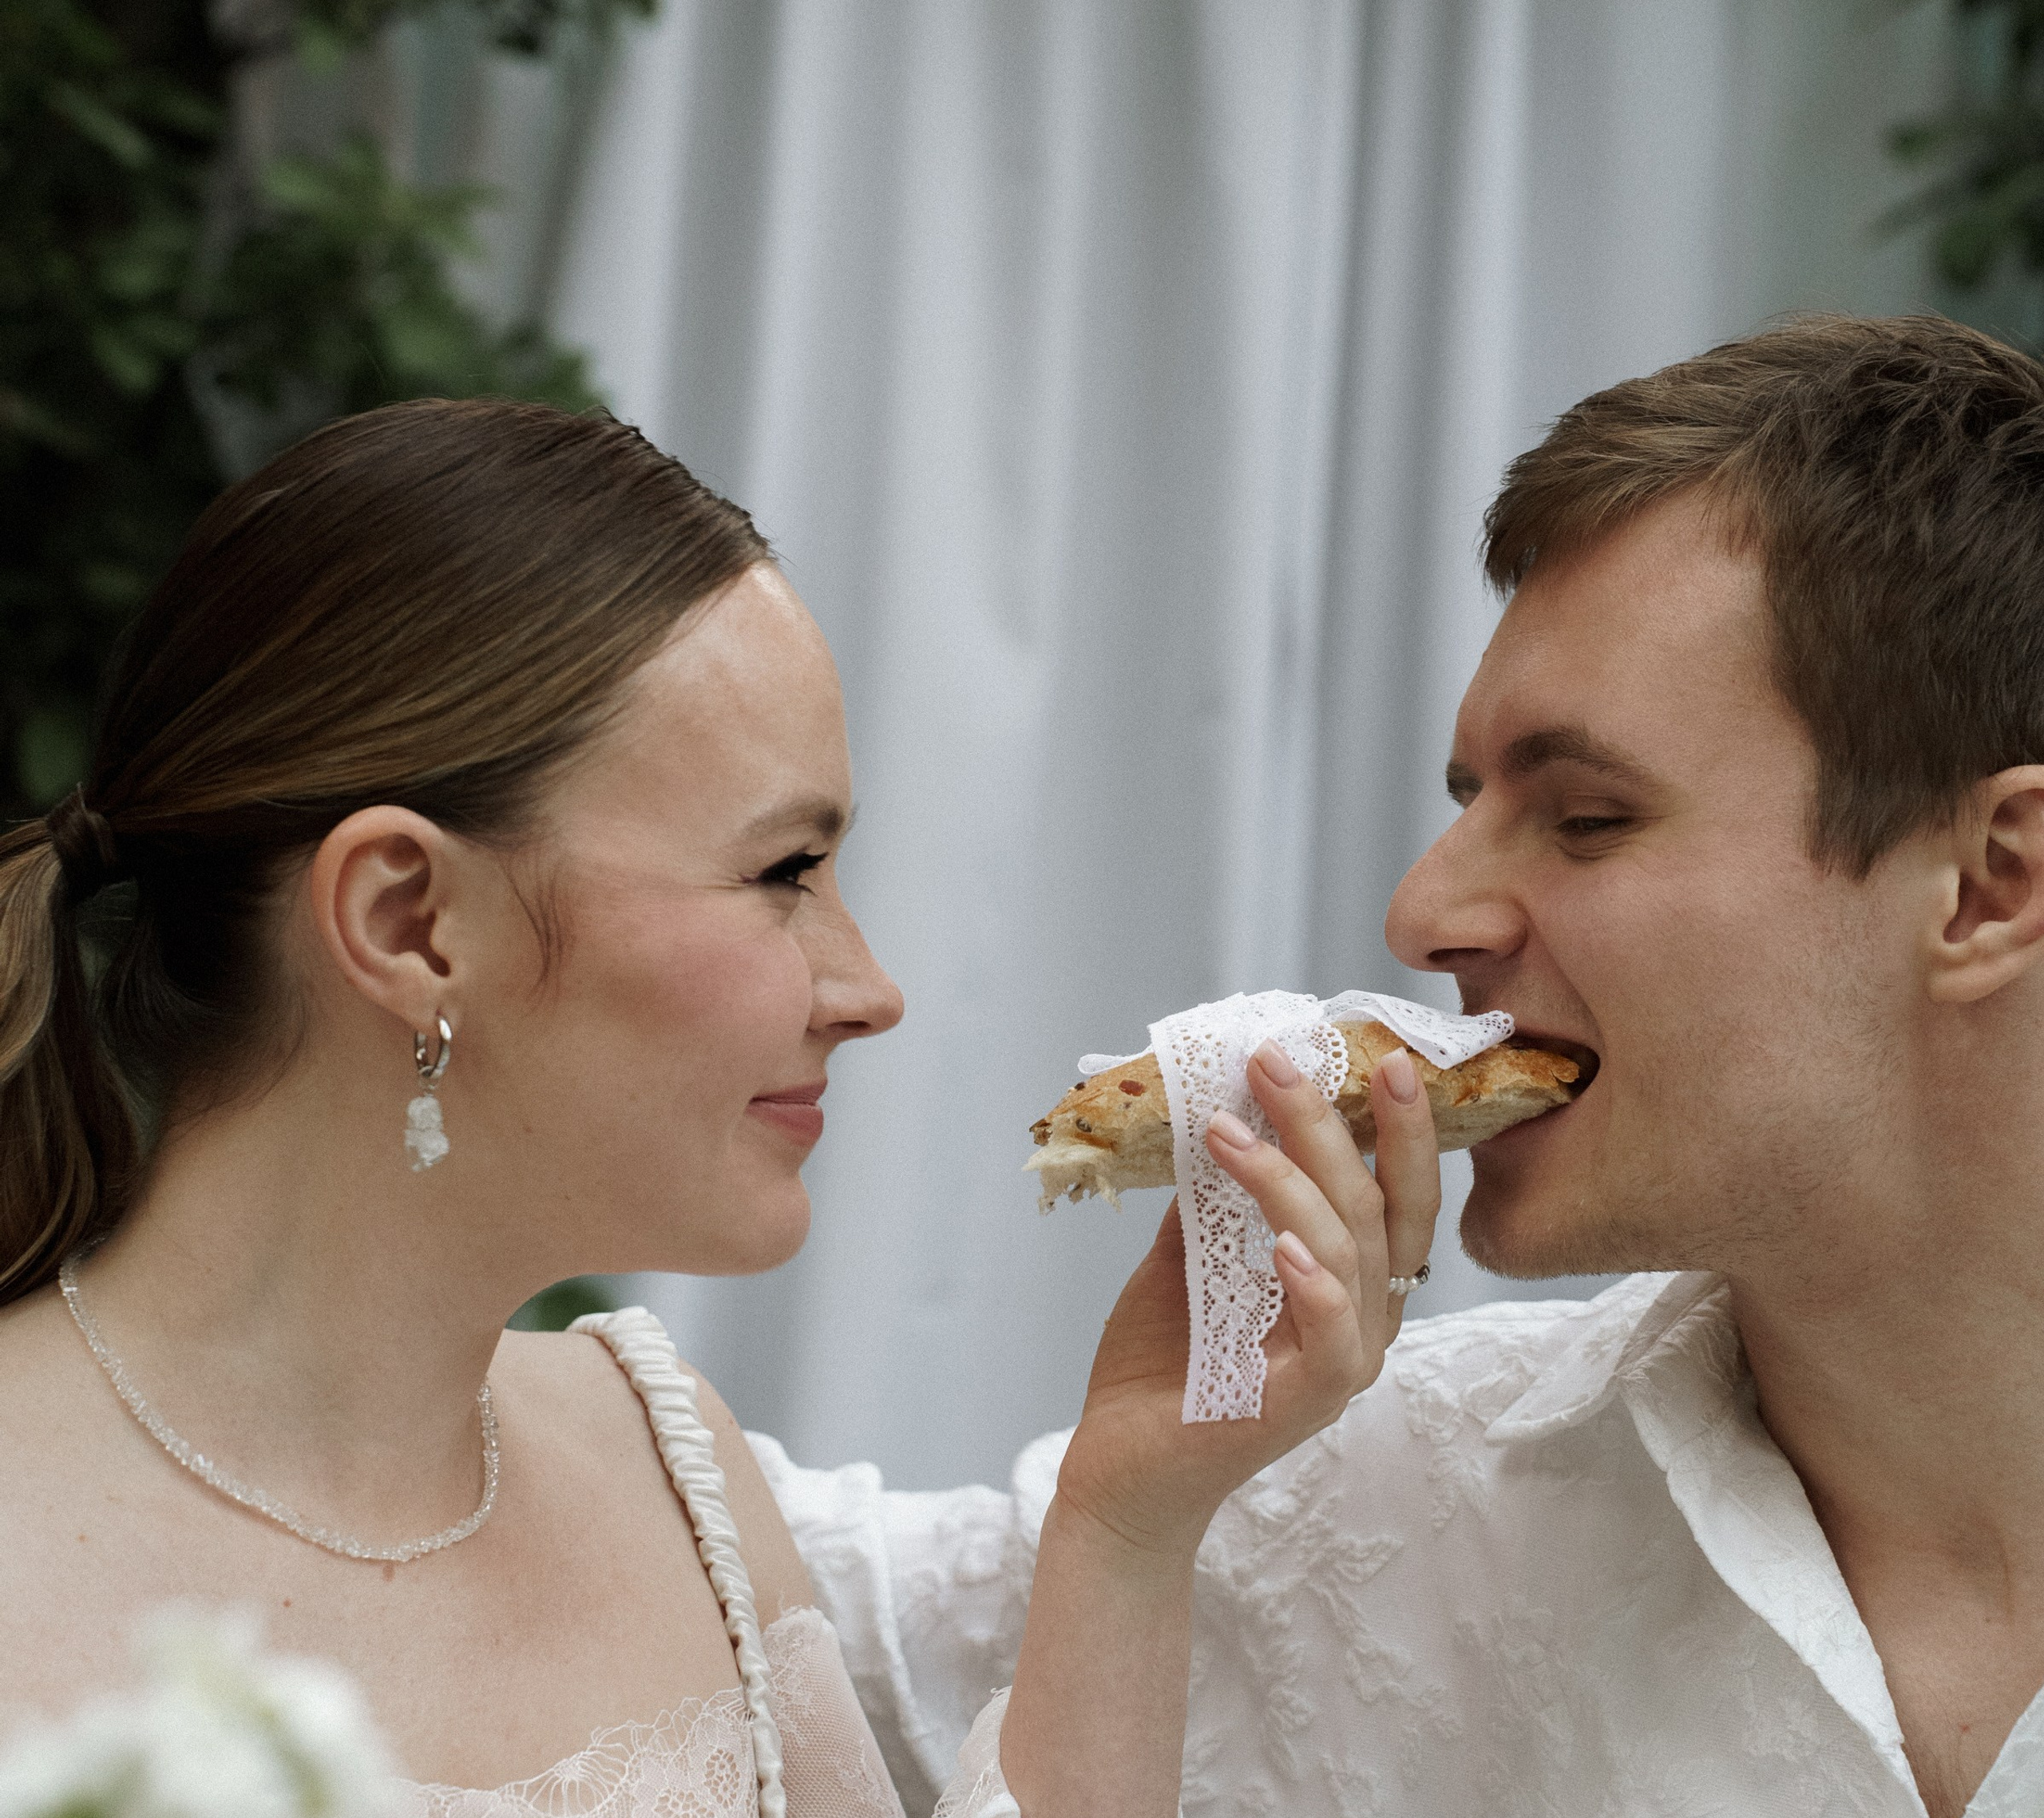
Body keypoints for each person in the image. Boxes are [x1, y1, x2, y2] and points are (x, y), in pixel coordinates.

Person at [0, 399, 1436, 1818]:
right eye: (783, 872)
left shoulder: (667, 1466)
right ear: (410, 921)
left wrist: (1131, 1517)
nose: (870, 991)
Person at [761, 312, 2044, 1818]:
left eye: (1587, 819)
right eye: (1467, 800)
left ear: (1989, 887)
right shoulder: (1338, 1493)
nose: (1423, 914)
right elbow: (751, 1593)